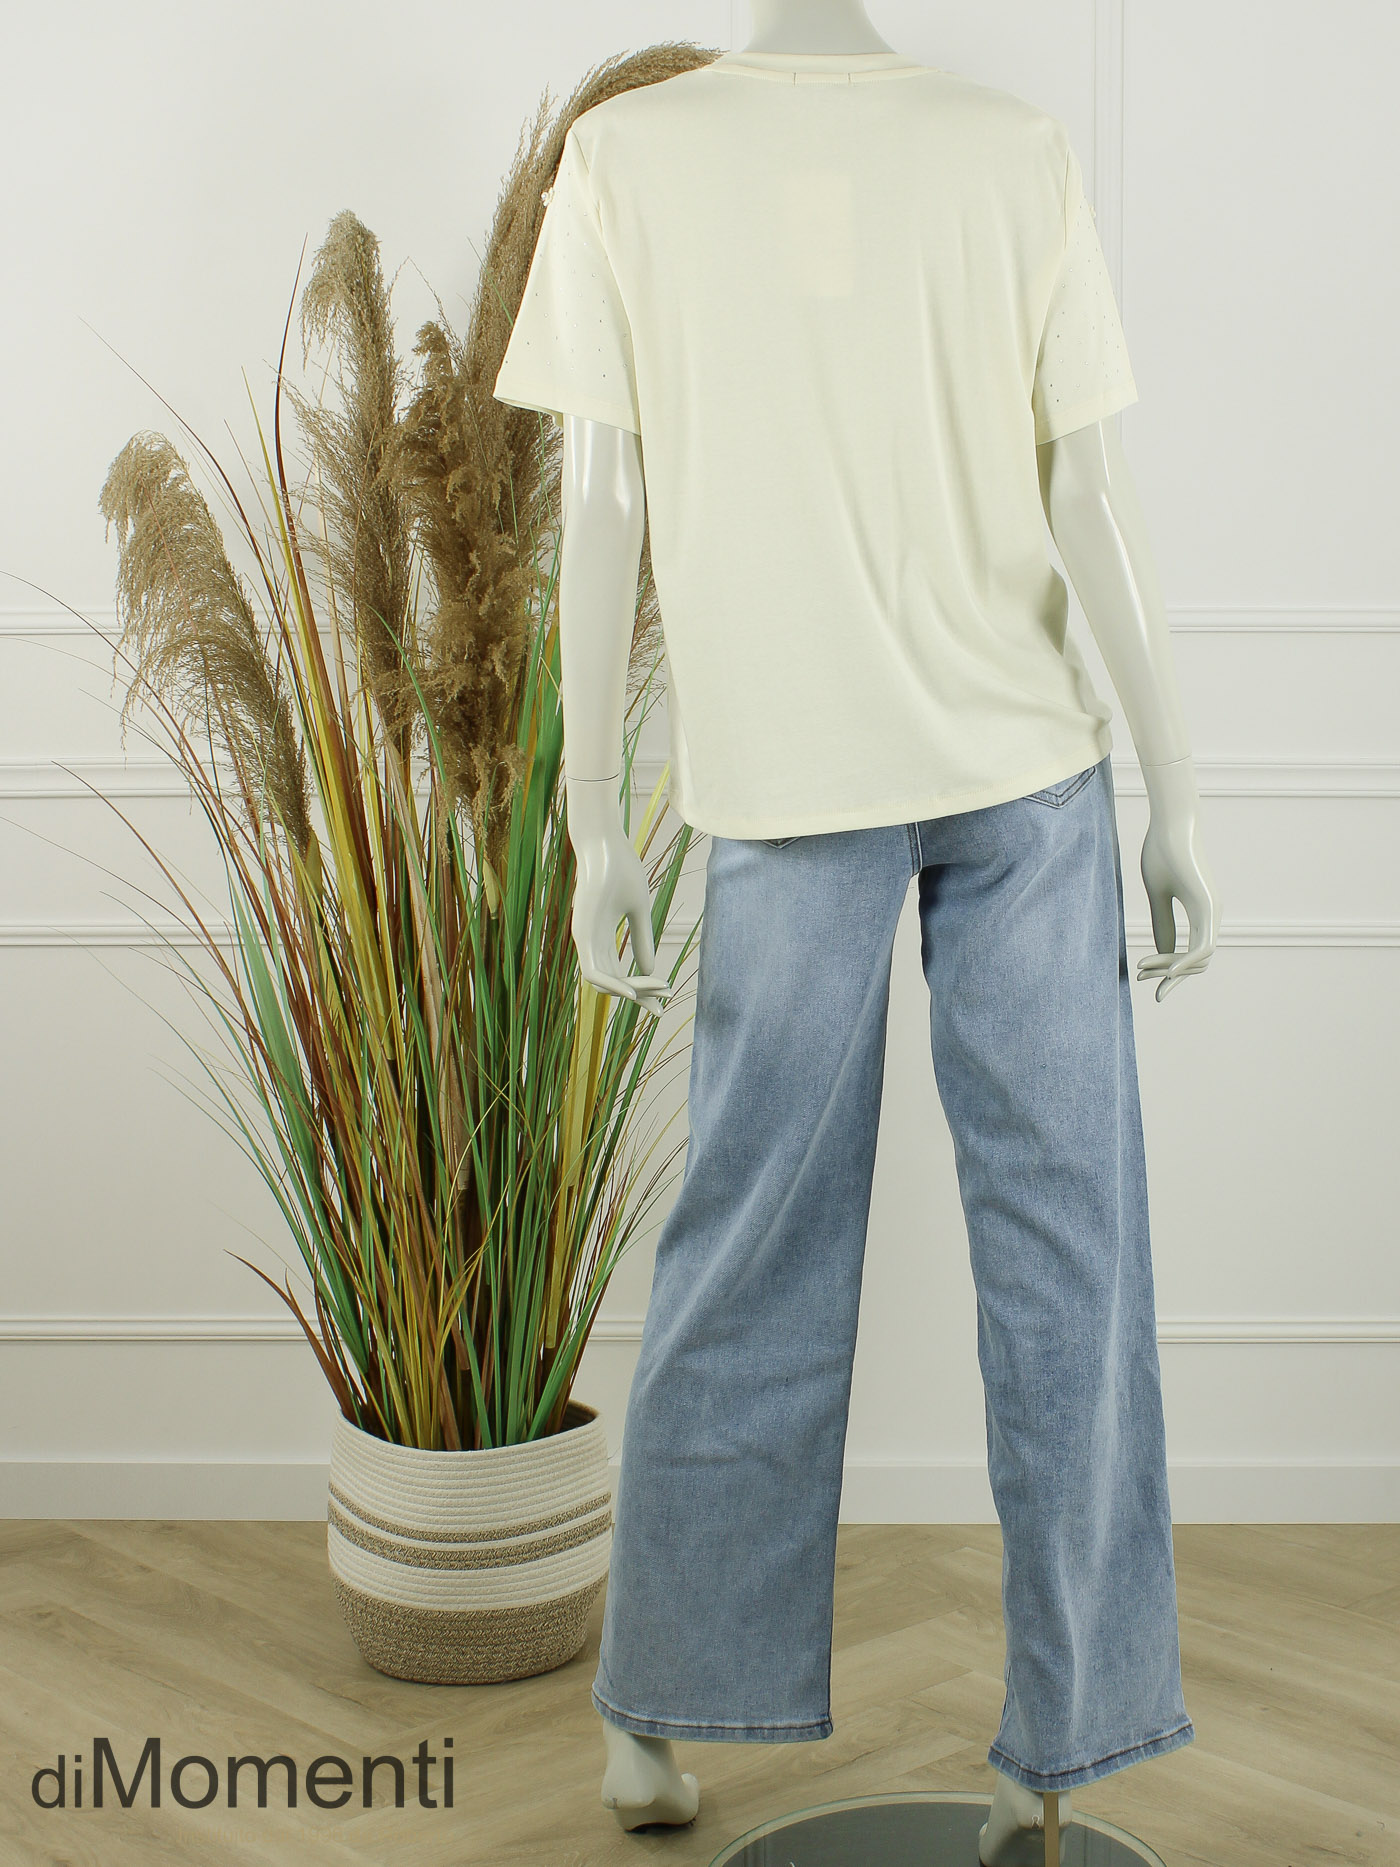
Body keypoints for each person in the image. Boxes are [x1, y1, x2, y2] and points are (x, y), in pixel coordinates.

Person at [494, 6, 1220, 1859]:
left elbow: (602, 506)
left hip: (812, 778)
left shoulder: (632, 159)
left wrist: (596, 822)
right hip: (1017, 777)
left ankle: (655, 1717)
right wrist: (1175, 789)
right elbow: (1090, 492)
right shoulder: (1005, 147)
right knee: (1070, 1253)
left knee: (752, 1250)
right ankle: (1055, 1744)